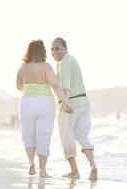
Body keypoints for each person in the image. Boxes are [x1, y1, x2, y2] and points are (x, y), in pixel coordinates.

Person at [16, 39, 73, 177]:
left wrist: (30, 86)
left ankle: (31, 163)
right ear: (43, 52)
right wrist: (66, 102)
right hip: (45, 103)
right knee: (43, 135)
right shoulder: (46, 67)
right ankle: (42, 170)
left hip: (26, 103)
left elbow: (18, 87)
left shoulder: (22, 67)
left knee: (28, 134)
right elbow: (56, 86)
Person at [51, 37, 98, 180]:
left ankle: (74, 171)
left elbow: (65, 87)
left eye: (57, 48)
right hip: (84, 102)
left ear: (65, 48)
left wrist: (66, 104)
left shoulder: (64, 63)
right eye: (52, 49)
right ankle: (93, 166)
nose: (54, 52)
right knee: (83, 136)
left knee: (67, 138)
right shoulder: (73, 59)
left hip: (70, 103)